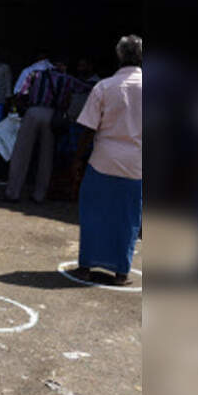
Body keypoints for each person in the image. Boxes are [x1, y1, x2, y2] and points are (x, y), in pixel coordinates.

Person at [72, 35, 143, 286]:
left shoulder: (104, 86)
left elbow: (89, 128)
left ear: (119, 56)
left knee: (94, 213)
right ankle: (121, 272)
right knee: (128, 217)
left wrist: (78, 159)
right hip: (137, 164)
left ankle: (86, 267)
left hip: (103, 159)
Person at [5, 59, 94, 203]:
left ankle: (12, 193)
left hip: (32, 112)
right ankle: (39, 195)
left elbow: (21, 94)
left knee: (21, 154)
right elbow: (86, 87)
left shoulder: (35, 75)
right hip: (53, 116)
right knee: (46, 157)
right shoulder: (67, 79)